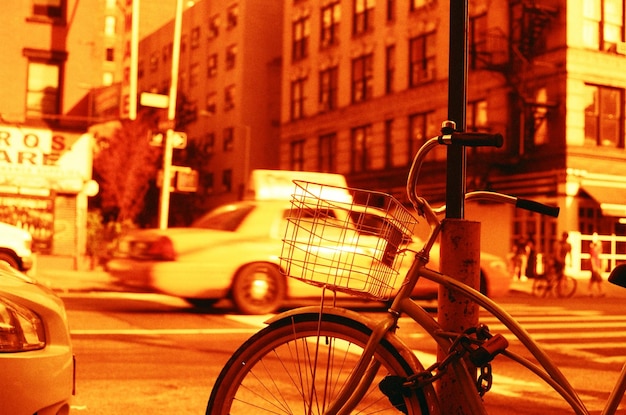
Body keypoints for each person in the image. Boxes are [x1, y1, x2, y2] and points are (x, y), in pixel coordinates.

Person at [588, 232, 604, 297]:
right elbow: (592, 258)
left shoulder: (596, 249)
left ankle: (590, 292)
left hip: (596, 266)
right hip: (594, 266)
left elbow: (601, 251)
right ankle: (600, 292)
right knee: (599, 279)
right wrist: (594, 266)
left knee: (593, 280)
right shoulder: (592, 249)